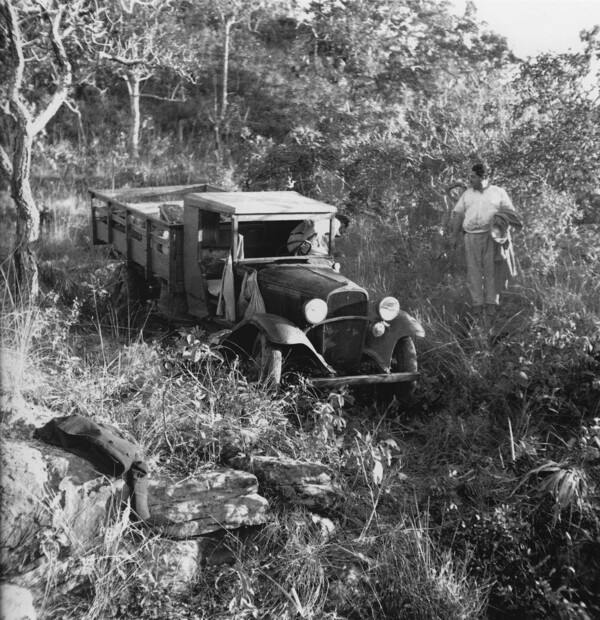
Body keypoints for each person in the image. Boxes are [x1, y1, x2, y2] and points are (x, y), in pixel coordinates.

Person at [451, 163, 517, 319]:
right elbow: (459, 215)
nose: (470, 179)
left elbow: (510, 213)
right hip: (471, 236)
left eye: (473, 176)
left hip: (491, 238)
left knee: (491, 271)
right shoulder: (467, 194)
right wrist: (454, 236)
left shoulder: (498, 192)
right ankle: (477, 306)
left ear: (483, 177)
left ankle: (492, 305)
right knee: (473, 271)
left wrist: (501, 224)